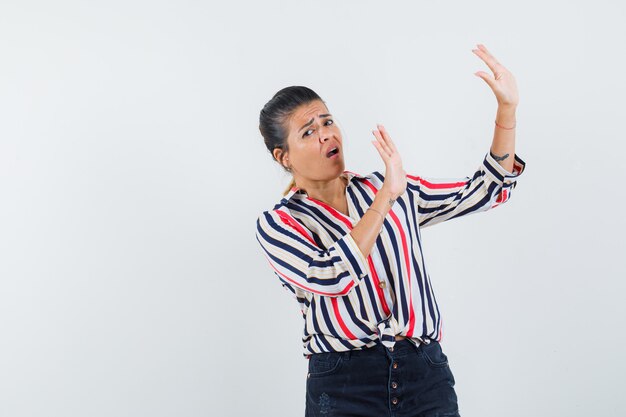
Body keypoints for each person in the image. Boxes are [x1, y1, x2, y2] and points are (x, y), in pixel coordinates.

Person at [255, 44, 526, 417]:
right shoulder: (279, 224)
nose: (326, 135)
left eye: (328, 122)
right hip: (343, 384)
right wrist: (385, 198)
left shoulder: (389, 185)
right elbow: (331, 275)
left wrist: (506, 112)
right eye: (308, 132)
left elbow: (485, 191)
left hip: (424, 375)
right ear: (283, 156)